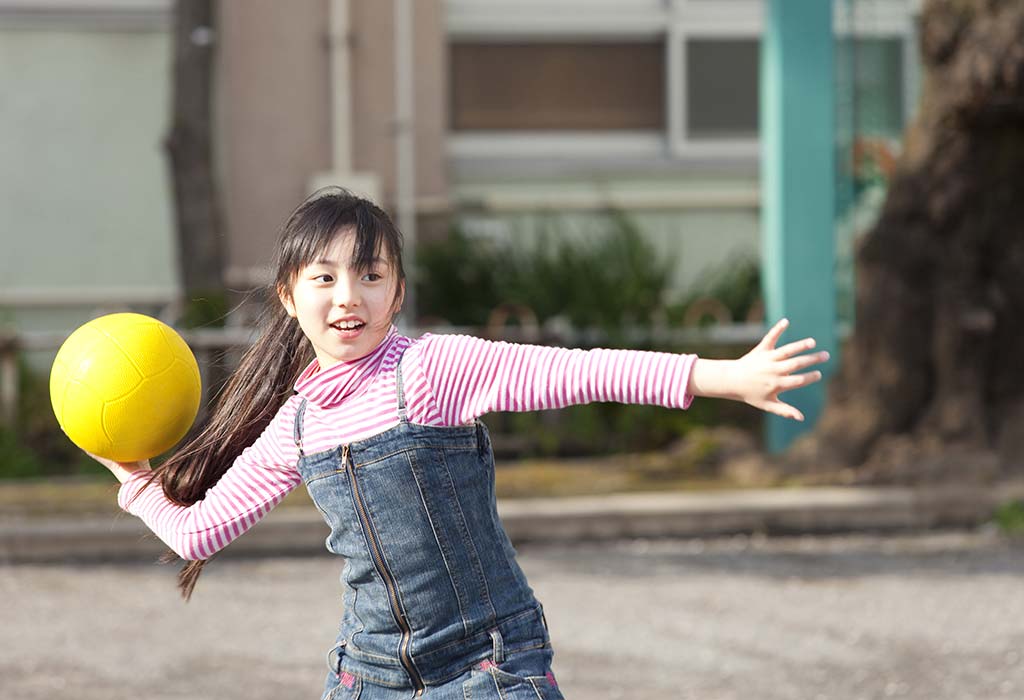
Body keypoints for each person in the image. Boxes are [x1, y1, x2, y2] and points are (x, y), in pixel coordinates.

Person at [90, 188, 829, 699]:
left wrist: (725, 375)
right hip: (369, 673)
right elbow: (200, 529)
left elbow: (581, 371)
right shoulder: (300, 421)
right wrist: (134, 479)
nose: (348, 295)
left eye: (370, 275)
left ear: (398, 293)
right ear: (289, 295)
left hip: (488, 663)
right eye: (325, 277)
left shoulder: (432, 371)